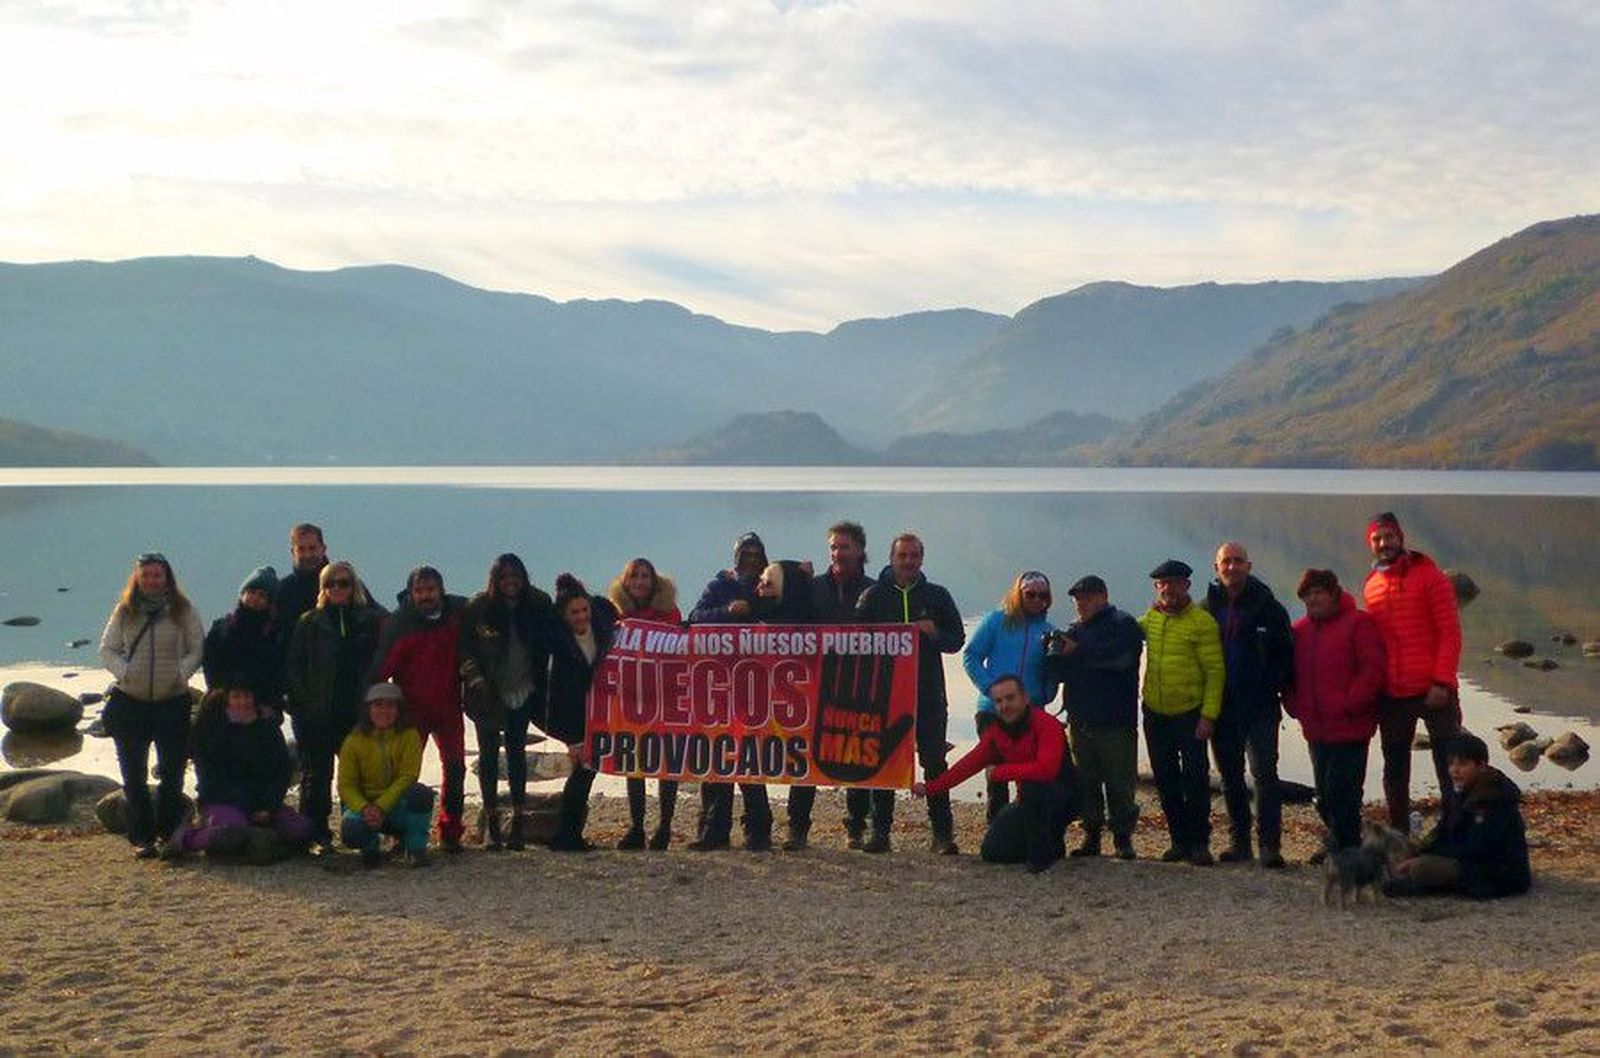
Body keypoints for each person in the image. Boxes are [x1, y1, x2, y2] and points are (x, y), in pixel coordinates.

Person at [855, 532, 965, 854]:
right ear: (891, 559)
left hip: (929, 694)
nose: (908, 562)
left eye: (914, 556)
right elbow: (854, 643)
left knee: (934, 761)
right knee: (886, 761)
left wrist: (934, 634)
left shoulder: (938, 595)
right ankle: (880, 833)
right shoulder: (872, 596)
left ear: (922, 559)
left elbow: (956, 640)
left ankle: (942, 834)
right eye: (903, 556)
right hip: (885, 696)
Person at [97, 552, 206, 859]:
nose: (151, 580)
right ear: (138, 578)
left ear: (167, 578)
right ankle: (141, 836)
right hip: (131, 702)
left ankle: (169, 831)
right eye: (146, 575)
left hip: (172, 701)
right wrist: (125, 672)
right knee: (133, 774)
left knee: (172, 771)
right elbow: (107, 649)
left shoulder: (183, 610)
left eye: (157, 575)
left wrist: (181, 673)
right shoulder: (125, 610)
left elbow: (197, 647)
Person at [1362, 511, 1463, 831]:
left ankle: (1454, 830)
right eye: (1377, 539)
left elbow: (1450, 633)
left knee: (1451, 766)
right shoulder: (1372, 585)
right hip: (1393, 693)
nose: (1383, 543)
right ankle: (1400, 834)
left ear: (1400, 538)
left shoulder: (1431, 577)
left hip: (1435, 690)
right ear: (1371, 544)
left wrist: (1442, 681)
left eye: (1389, 537)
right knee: (1394, 768)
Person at [915, 676, 1078, 873]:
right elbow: (965, 767)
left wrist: (1000, 772)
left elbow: (1046, 770)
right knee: (993, 851)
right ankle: (1050, 845)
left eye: (1010, 698)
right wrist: (928, 788)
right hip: (1028, 801)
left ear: (1025, 698)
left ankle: (1041, 856)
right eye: (999, 701)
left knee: (1033, 786)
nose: (1004, 706)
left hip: (1065, 797)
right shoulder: (996, 732)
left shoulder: (1047, 725)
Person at [1201, 542, 1294, 868]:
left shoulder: (1270, 607)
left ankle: (1270, 845)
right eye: (1226, 562)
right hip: (1221, 707)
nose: (1232, 567)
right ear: (1216, 568)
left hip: (1260, 707)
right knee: (1230, 777)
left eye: (1238, 561)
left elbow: (1286, 655)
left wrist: (1270, 686)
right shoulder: (1206, 608)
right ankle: (1239, 842)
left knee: (1265, 775)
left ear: (1249, 566)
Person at [285, 560, 386, 853]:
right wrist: (302, 702)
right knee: (316, 776)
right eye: (331, 584)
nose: (338, 588)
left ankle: (358, 831)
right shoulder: (309, 622)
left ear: (354, 586)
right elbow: (293, 666)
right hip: (317, 712)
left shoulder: (369, 620)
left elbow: (382, 658)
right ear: (323, 589)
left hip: (356, 711)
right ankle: (316, 835)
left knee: (356, 775)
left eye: (344, 583)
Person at [459, 554, 557, 851]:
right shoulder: (479, 607)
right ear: (495, 580)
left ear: (524, 577)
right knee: (488, 758)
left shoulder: (538, 603)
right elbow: (463, 649)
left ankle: (516, 823)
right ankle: (492, 826)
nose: (510, 582)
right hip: (485, 693)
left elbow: (556, 634)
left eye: (515, 576)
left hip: (523, 690)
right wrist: (475, 680)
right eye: (504, 577)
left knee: (516, 755)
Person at [1285, 569, 1385, 854]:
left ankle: (1348, 849)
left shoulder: (1359, 623)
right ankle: (1340, 840)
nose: (1314, 598)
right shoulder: (1300, 630)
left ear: (1333, 593)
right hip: (1315, 727)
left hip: (1350, 726)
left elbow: (1372, 669)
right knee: (1324, 795)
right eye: (1308, 594)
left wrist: (1351, 703)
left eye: (1319, 592)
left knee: (1344, 792)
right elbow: (1289, 675)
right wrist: (1293, 704)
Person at [370, 565, 470, 853]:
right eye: (420, 591)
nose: (426, 596)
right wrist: (373, 707)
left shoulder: (457, 612)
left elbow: (485, 609)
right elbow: (381, 668)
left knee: (455, 769)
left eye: (431, 590)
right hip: (411, 710)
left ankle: (451, 832)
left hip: (449, 706)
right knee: (406, 773)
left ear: (441, 590)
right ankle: (401, 833)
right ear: (411, 593)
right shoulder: (400, 623)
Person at [1045, 574, 1144, 860]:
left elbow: (1121, 659)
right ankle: (1091, 836)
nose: (1081, 604)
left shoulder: (1123, 624)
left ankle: (1123, 839)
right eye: (1077, 599)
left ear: (1103, 596)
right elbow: (1063, 673)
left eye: (1087, 597)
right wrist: (1054, 656)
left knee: (1120, 783)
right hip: (1081, 720)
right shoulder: (1073, 631)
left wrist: (1078, 652)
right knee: (1086, 783)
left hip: (1115, 721)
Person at [687, 532, 774, 852]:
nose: (751, 559)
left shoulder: (770, 586)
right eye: (745, 554)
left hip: (757, 685)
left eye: (756, 554)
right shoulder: (718, 586)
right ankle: (713, 830)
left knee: (752, 759)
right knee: (716, 758)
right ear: (736, 557)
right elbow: (695, 618)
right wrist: (728, 611)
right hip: (720, 686)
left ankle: (759, 831)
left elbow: (793, 617)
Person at [1138, 559, 1225, 867]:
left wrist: (1208, 716)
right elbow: (1120, 635)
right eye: (1163, 584)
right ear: (1156, 587)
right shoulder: (1149, 620)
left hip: (1190, 713)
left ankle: (1200, 843)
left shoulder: (1202, 622)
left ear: (1187, 585)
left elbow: (1216, 672)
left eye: (1175, 583)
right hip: (1155, 712)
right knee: (1165, 779)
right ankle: (1178, 841)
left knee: (1196, 779)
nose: (1169, 589)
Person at [174, 679, 313, 859]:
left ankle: (261, 837)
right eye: (236, 696)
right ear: (226, 699)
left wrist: (268, 806)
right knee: (232, 833)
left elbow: (281, 772)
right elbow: (211, 779)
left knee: (303, 830)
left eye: (247, 696)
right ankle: (187, 838)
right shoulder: (210, 730)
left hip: (264, 804)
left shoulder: (267, 727)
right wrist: (249, 807)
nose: (242, 701)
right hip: (223, 800)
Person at [1386, 733, 1531, 900]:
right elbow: (1444, 830)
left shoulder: (1493, 797)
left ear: (1481, 765)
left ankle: (1419, 882)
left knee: (1421, 867)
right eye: (1451, 764)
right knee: (1407, 852)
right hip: (1468, 859)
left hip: (1497, 873)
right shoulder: (1461, 791)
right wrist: (1422, 849)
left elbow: (1476, 848)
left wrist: (1431, 857)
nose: (1455, 770)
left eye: (1463, 764)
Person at [963, 571, 1058, 823]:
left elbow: (1052, 670)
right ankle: (995, 828)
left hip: (1031, 713)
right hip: (993, 710)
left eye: (1042, 595)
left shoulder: (1049, 632)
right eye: (1030, 594)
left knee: (1028, 776)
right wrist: (989, 689)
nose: (1037, 600)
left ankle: (1025, 829)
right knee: (996, 774)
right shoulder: (996, 620)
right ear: (1018, 594)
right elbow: (971, 656)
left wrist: (1047, 694)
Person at [607, 557, 683, 851]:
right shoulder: (615, 615)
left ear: (654, 581)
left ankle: (664, 826)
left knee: (667, 763)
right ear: (626, 582)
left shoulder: (670, 613)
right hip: (630, 696)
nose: (640, 581)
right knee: (633, 763)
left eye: (645, 576)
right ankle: (637, 827)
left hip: (665, 695)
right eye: (634, 576)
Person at [810, 521, 877, 849]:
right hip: (816, 682)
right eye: (834, 547)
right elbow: (789, 620)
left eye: (845, 547)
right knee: (807, 752)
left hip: (859, 683)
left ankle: (856, 826)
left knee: (857, 752)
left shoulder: (874, 589)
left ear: (860, 550)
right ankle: (797, 826)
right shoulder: (814, 586)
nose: (838, 553)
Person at [542, 573, 618, 852]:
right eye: (574, 612)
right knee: (582, 772)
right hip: (574, 718)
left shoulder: (603, 626)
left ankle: (570, 833)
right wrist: (571, 738)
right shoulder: (558, 646)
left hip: (600, 711)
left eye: (584, 609)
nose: (581, 616)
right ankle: (567, 834)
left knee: (587, 772)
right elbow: (557, 697)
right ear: (564, 615)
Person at [753, 560, 818, 851]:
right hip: (760, 696)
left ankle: (798, 826)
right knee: (752, 756)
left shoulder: (807, 612)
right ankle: (758, 824)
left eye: (767, 583)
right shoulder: (752, 610)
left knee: (803, 762)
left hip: (801, 696)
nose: (760, 587)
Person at [337, 682, 434, 868]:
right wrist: (366, 808)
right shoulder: (353, 740)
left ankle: (415, 848)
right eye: (378, 705)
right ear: (368, 709)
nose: (384, 710)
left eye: (390, 705)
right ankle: (370, 847)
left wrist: (381, 807)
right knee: (351, 831)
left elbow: (409, 776)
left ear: (399, 710)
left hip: (396, 804)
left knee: (420, 794)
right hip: (365, 806)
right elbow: (345, 785)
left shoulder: (410, 735)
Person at [202, 565, 285, 707]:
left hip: (261, 707)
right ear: (242, 594)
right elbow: (209, 662)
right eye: (251, 592)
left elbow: (277, 672)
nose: (255, 598)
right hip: (222, 704)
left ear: (270, 602)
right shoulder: (222, 628)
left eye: (262, 595)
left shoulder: (274, 633)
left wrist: (268, 704)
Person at [273, 523, 329, 638]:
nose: (308, 555)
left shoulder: (342, 583)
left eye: (312, 548)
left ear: (323, 549)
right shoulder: (282, 589)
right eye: (301, 549)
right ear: (293, 552)